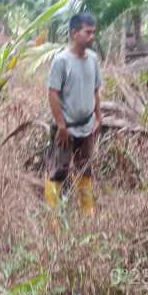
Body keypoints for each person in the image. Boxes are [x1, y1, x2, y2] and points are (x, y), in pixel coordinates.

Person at [45, 12, 103, 219]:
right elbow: (52, 93)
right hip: (66, 129)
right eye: (88, 32)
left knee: (85, 169)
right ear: (74, 33)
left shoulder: (94, 60)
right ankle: (53, 219)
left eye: (93, 32)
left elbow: (95, 90)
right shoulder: (61, 61)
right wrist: (61, 125)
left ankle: (88, 212)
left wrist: (99, 116)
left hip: (87, 126)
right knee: (58, 172)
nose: (92, 36)